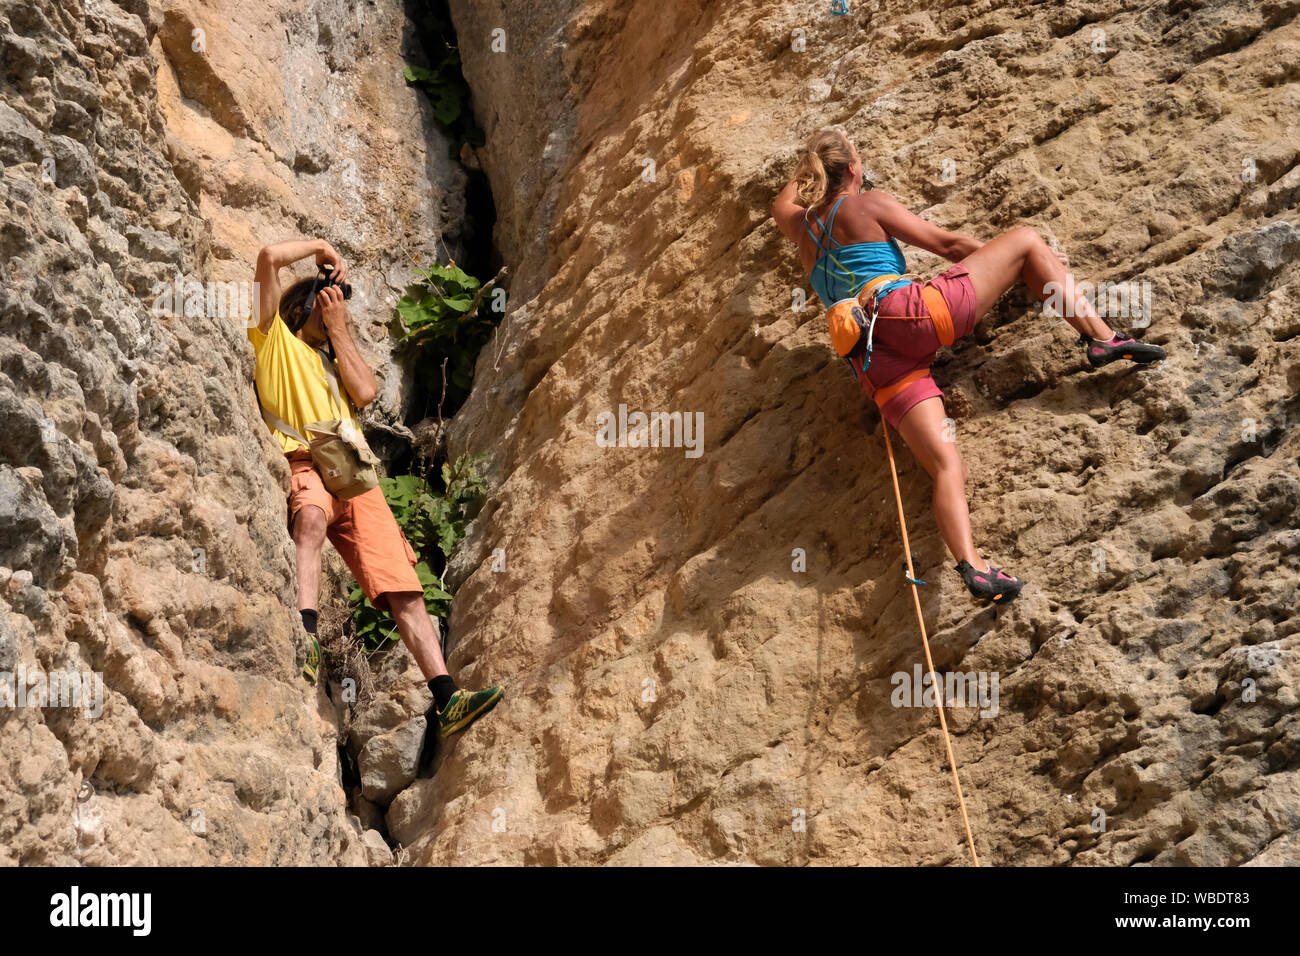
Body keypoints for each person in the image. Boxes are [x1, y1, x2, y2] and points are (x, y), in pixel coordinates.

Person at [772, 128, 1165, 603]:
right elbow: (950, 245)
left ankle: (974, 568)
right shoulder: (866, 203)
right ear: (854, 169)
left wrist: (815, 159)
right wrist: (1023, 262)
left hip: (872, 362)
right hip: (910, 316)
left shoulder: (800, 228)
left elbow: (782, 201)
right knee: (1024, 240)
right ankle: (1103, 339)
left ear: (814, 174)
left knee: (944, 464)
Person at [249, 237, 503, 742]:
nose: (337, 306)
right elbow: (267, 258)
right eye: (329, 301)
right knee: (312, 519)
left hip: (356, 475)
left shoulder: (333, 361)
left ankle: (448, 695)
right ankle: (306, 633)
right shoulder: (273, 337)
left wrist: (340, 331)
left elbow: (365, 393)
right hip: (308, 459)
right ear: (303, 308)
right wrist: (321, 247)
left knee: (401, 581)